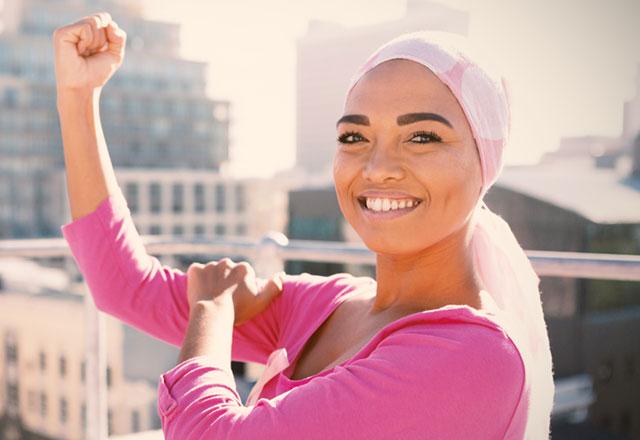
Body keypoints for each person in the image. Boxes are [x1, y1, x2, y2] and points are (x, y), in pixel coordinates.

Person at [54, 11, 554, 440]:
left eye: (422, 136)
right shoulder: (326, 305)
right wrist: (78, 95)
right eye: (354, 136)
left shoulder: (474, 357)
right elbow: (125, 286)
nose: (377, 167)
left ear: (485, 162)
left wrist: (211, 308)